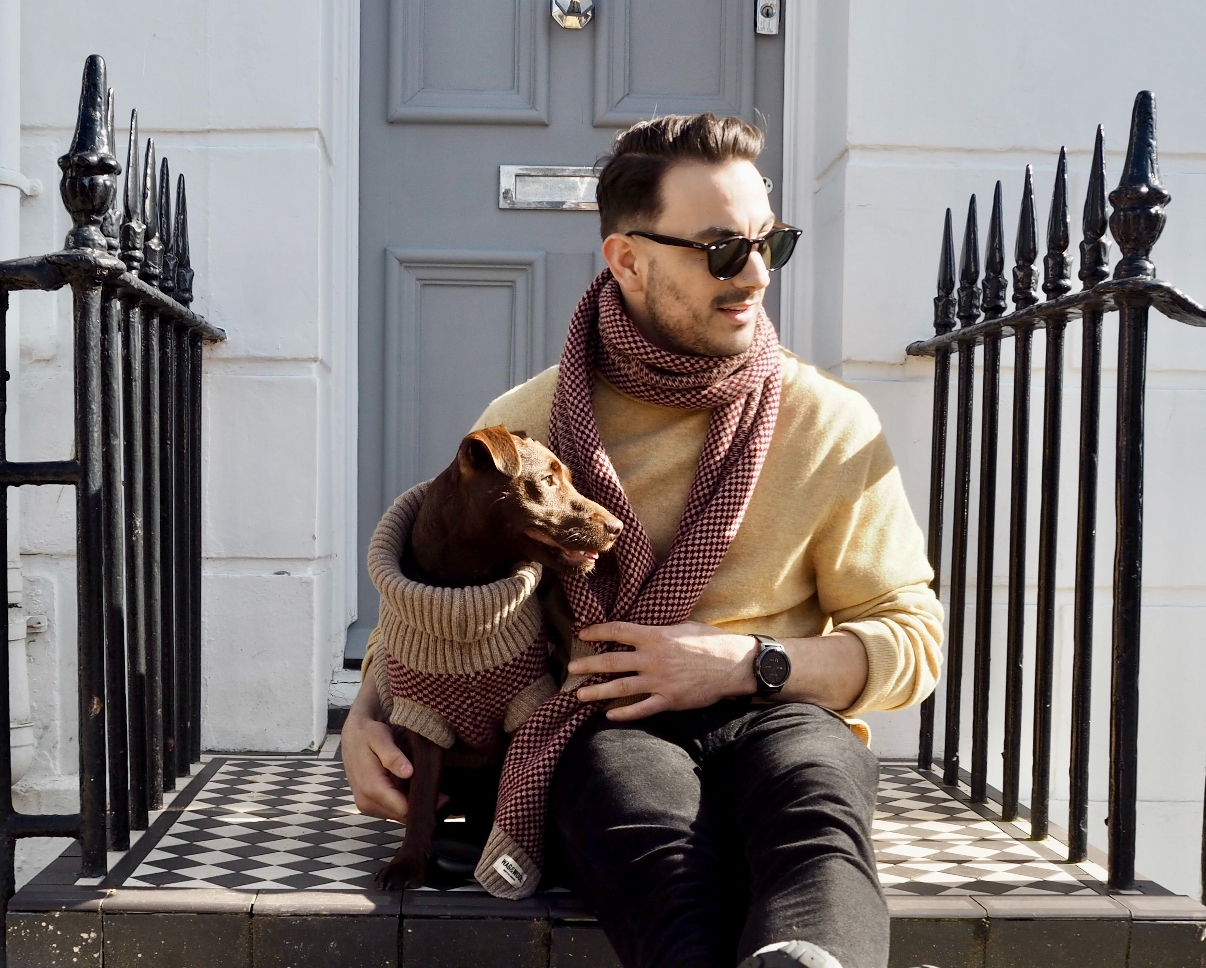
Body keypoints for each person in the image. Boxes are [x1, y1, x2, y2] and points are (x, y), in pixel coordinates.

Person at [343, 114, 943, 968]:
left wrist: (748, 663)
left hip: (782, 708)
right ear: (626, 260)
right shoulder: (526, 427)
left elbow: (911, 638)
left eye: (771, 244)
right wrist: (367, 714)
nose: (756, 276)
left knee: (817, 827)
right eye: (723, 251)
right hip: (604, 718)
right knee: (652, 854)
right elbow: (440, 605)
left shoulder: (829, 423)